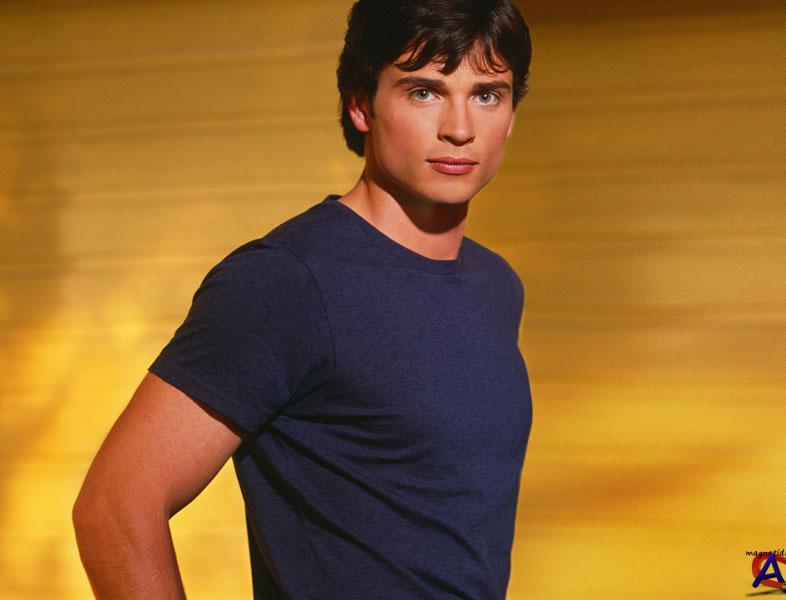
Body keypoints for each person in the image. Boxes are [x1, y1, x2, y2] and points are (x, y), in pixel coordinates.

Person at [72, 0, 533, 598]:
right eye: (424, 92)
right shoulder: (287, 281)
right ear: (361, 104)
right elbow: (114, 505)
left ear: (512, 114)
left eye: (487, 95)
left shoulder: (496, 286)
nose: (460, 128)